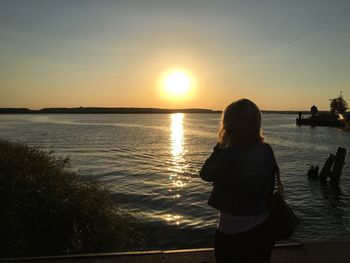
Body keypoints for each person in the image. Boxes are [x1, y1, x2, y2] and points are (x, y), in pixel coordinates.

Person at [199, 99, 277, 263]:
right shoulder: (266, 149)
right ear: (256, 123)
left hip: (232, 231)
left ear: (229, 124)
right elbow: (268, 184)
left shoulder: (229, 153)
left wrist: (221, 146)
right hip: (263, 227)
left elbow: (205, 174)